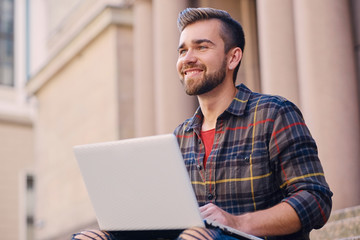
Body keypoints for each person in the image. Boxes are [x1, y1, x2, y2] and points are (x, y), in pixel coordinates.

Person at [72, 7, 332, 240]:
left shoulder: (273, 113)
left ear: (233, 58)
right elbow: (165, 219)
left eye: (202, 47)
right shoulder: (179, 137)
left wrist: (237, 222)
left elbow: (315, 199)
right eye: (183, 50)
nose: (188, 58)